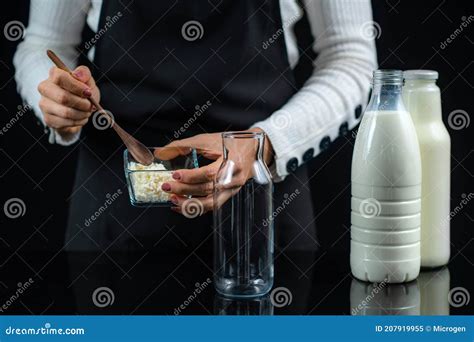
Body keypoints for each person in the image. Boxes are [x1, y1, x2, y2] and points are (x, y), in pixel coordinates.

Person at [14, 0, 377, 252]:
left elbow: (351, 60)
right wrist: (58, 98)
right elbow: (44, 45)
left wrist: (263, 144)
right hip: (113, 215)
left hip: (263, 217)